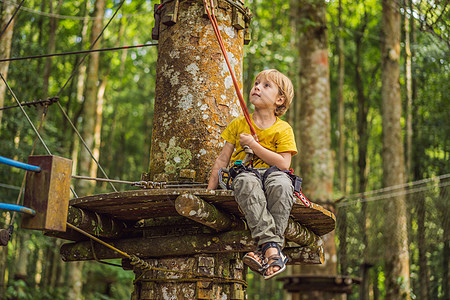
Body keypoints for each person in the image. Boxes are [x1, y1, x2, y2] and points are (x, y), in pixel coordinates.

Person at [207, 69, 297, 279]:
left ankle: (265, 249)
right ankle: (273, 250)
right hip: (245, 173)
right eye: (256, 83)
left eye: (266, 85)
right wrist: (209, 192)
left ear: (279, 99)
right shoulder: (239, 124)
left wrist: (253, 145)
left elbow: (284, 164)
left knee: (282, 185)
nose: (257, 87)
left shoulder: (283, 129)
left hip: (274, 173)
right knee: (246, 182)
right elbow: (222, 160)